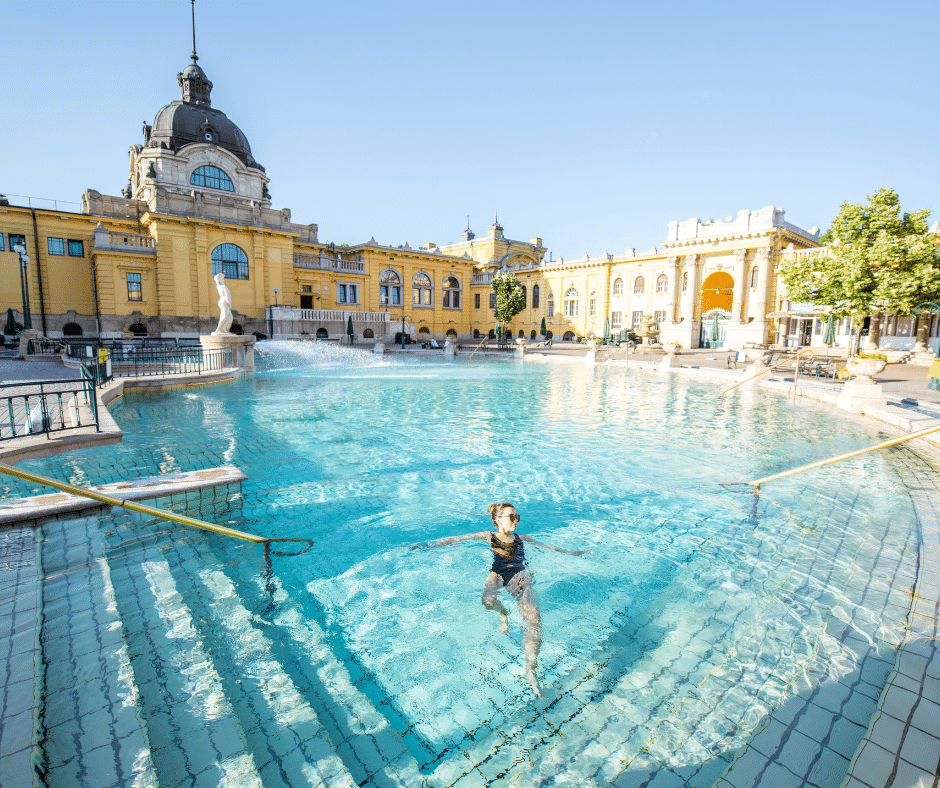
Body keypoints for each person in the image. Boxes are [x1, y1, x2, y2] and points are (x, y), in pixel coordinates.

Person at [411, 502, 591, 697]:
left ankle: (530, 669)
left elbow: (548, 547)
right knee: (487, 602)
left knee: (533, 620)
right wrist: (427, 545)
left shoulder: (521, 538)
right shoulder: (489, 535)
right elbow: (456, 539)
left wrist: (573, 553)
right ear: (497, 520)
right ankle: (503, 613)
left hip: (519, 575)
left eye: (517, 517)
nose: (515, 521)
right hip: (497, 573)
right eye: (510, 517)